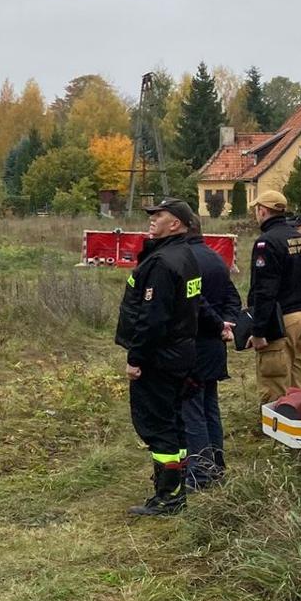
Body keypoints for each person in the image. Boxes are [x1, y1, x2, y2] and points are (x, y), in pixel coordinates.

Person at [116, 198, 203, 516]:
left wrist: (136, 358)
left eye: (159, 215)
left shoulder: (164, 262)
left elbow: (153, 318)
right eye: (151, 215)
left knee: (157, 424)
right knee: (173, 423)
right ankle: (175, 487)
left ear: (176, 223)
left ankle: (168, 497)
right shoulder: (185, 256)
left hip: (160, 357)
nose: (152, 219)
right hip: (179, 353)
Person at [182, 221, 240, 491]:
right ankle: (216, 465)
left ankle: (200, 473)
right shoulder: (216, 257)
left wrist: (218, 324)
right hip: (214, 345)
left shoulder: (186, 260)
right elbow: (233, 298)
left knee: (191, 411)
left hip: (194, 344)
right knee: (209, 408)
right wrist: (226, 325)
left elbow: (195, 304)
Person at [244, 191, 301, 401]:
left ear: (262, 210)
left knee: (274, 380)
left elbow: (265, 290)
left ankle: (275, 429)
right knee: (297, 379)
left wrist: (258, 330)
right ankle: (298, 426)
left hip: (281, 321)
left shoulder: (266, 242)